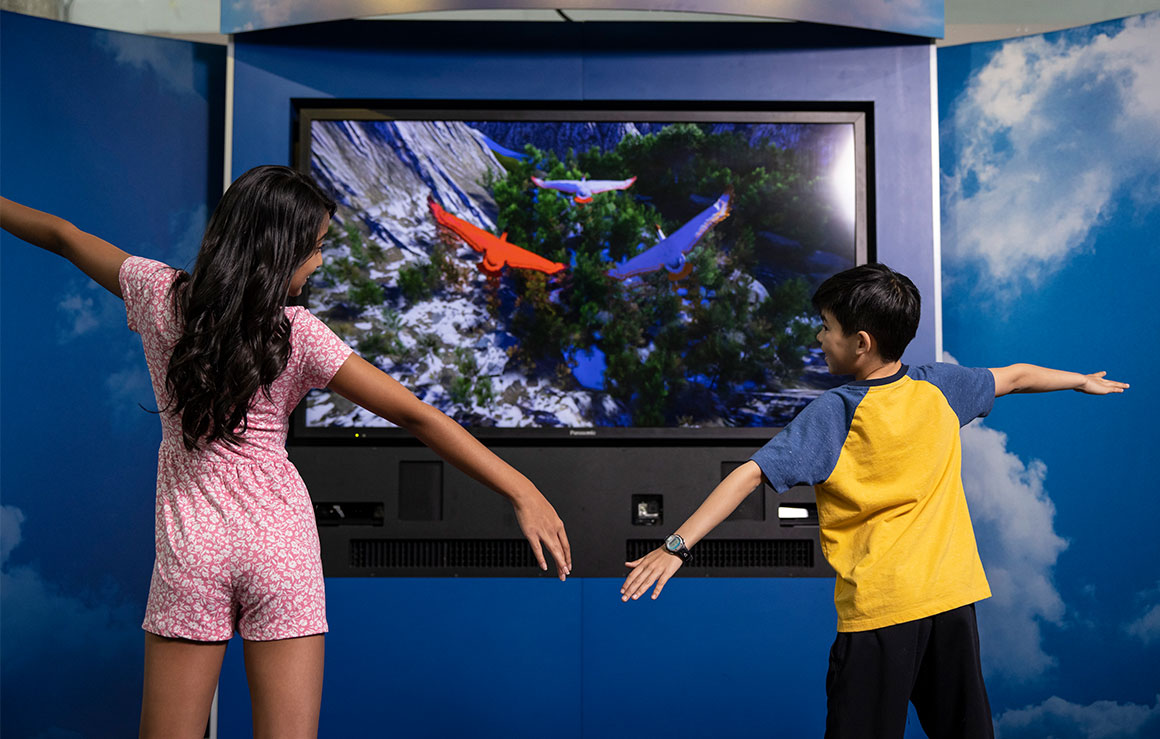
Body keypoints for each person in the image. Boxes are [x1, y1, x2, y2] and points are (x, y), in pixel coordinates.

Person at [0, 165, 572, 739]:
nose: (319, 261)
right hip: (282, 549)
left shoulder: (163, 297)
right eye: (316, 247)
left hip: (192, 547)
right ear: (281, 249)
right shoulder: (300, 334)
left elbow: (63, 236)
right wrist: (521, 489)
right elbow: (414, 414)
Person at [619, 263, 1127, 738]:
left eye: (825, 327)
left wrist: (676, 546)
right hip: (951, 601)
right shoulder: (942, 387)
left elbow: (750, 475)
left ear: (860, 342)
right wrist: (1080, 381)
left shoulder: (835, 412)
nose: (819, 337)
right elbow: (1016, 376)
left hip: (881, 613)